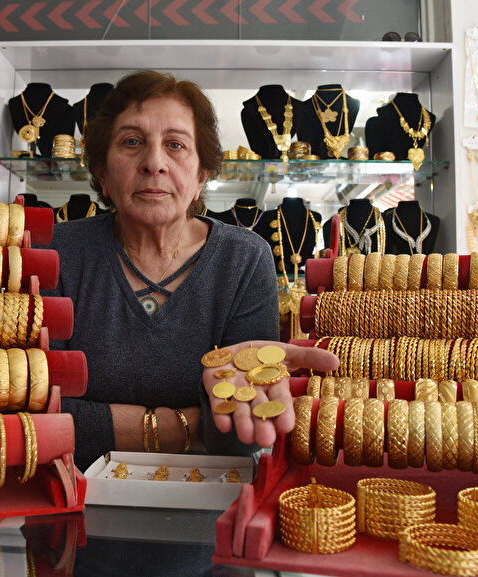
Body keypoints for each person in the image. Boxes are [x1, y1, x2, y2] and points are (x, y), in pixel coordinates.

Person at [41, 71, 338, 469]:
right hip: (66, 503)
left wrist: (97, 421)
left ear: (201, 176)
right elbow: (36, 419)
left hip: (206, 510)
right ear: (102, 173)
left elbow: (238, 436)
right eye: (132, 142)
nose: (153, 163)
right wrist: (189, 426)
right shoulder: (56, 253)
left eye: (175, 145)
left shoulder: (245, 260)